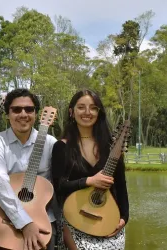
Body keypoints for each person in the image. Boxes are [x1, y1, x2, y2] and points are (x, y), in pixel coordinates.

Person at [51, 89, 129, 249]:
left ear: (99, 113)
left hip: (108, 221)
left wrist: (124, 218)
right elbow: (58, 187)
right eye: (81, 107)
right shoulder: (61, 147)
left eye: (93, 107)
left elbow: (121, 186)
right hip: (75, 221)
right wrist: (89, 181)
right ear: (71, 112)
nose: (87, 112)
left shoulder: (112, 147)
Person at [0, 88, 57, 250]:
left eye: (29, 109)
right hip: (2, 220)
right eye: (16, 109)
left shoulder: (50, 143)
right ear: (7, 114)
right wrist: (24, 223)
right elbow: (0, 184)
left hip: (43, 221)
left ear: (36, 114)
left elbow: (59, 184)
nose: (23, 114)